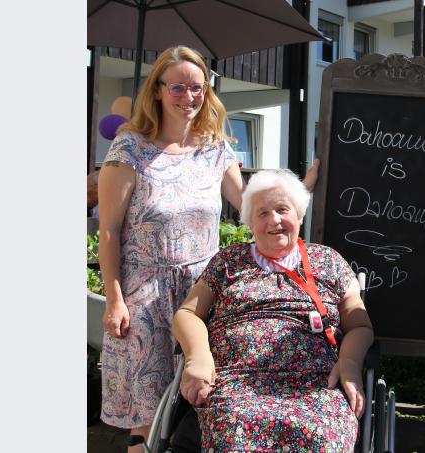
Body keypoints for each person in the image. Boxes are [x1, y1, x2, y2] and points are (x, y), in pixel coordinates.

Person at [96, 46, 319, 451]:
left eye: (197, 87)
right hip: (145, 295)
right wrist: (114, 299)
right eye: (177, 87)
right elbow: (109, 230)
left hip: (204, 294)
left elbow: (251, 206)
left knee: (200, 402)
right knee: (146, 419)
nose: (188, 97)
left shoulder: (216, 148)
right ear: (159, 90)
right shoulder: (130, 148)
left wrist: (300, 190)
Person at [171, 169, 374, 451]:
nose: (274, 220)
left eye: (282, 209)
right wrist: (198, 357)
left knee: (322, 435)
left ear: (300, 215)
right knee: (234, 427)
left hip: (316, 384)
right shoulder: (229, 261)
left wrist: (350, 364)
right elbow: (188, 314)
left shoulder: (329, 261)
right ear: (250, 223)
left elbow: (360, 326)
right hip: (236, 381)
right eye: (262, 213)